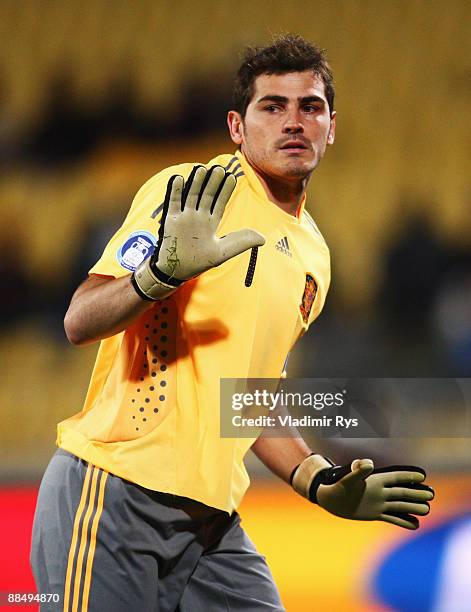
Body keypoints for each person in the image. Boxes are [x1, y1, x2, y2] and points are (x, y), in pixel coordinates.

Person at [30, 34, 434, 611]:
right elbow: (79, 319)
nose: (294, 121)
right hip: (115, 494)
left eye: (310, 106)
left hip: (210, 527)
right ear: (237, 127)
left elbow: (249, 398)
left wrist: (317, 480)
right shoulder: (194, 194)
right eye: (273, 106)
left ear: (332, 126)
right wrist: (157, 275)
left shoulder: (313, 256)